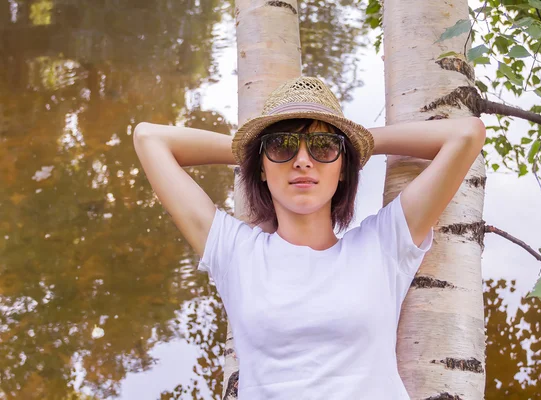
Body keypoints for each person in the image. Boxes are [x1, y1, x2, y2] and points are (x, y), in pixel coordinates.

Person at [133, 76, 486, 399]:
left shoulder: (382, 244)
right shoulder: (236, 252)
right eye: (283, 146)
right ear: (260, 167)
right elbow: (150, 138)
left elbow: (466, 135)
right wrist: (256, 148)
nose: (302, 161)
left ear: (344, 168)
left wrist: (355, 145)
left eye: (322, 146)